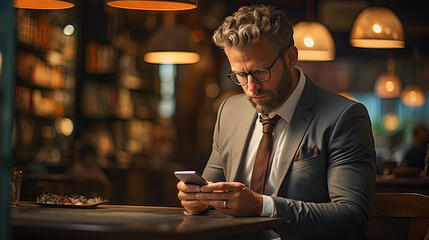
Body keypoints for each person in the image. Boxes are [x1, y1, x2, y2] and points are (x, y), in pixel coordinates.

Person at [177, 4, 376, 239]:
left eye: (261, 71)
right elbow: (212, 189)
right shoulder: (229, 111)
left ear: (291, 57)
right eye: (240, 75)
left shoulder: (344, 117)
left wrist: (264, 206)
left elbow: (351, 218)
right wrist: (198, 200)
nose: (251, 87)